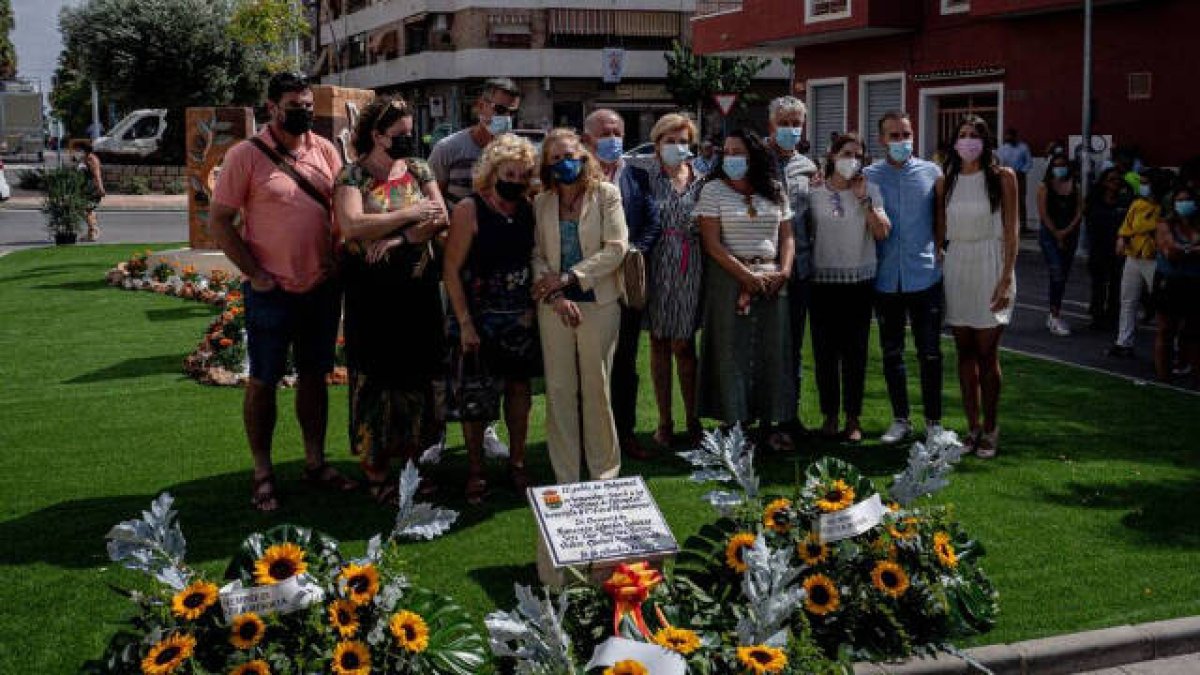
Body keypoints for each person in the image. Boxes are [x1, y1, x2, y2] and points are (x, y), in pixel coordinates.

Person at [209, 72, 356, 511]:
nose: (304, 112)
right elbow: (219, 221)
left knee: (316, 377)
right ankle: (263, 472)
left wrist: (334, 253)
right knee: (262, 382)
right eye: (295, 105)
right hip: (271, 291)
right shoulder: (245, 156)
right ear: (271, 107)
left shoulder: (325, 150)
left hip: (320, 289)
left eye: (308, 105)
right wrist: (253, 273)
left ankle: (315, 463)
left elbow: (340, 209)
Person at [334, 97, 449, 504]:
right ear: (377, 135)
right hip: (371, 296)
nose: (408, 139)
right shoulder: (352, 176)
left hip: (417, 293)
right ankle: (376, 470)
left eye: (409, 132)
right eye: (399, 134)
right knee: (375, 380)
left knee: (418, 377)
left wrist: (400, 237)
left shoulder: (418, 169)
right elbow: (352, 226)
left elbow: (441, 217)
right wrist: (412, 212)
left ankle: (414, 467)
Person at [444, 134, 541, 503]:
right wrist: (465, 322)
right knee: (476, 397)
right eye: (509, 173)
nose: (514, 180)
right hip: (477, 318)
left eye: (522, 175)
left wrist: (532, 308)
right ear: (492, 170)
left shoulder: (529, 208)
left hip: (520, 317)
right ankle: (476, 470)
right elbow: (451, 270)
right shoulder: (469, 209)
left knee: (519, 393)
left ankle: (517, 463)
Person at [530, 128, 628, 484]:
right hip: (554, 307)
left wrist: (569, 278)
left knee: (597, 388)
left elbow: (616, 248)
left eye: (569, 155)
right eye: (555, 158)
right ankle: (566, 474)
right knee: (559, 391)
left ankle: (603, 472)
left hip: (598, 303)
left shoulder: (606, 195)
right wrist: (555, 295)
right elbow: (537, 254)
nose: (563, 163)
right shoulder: (541, 201)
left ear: (584, 156)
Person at [695, 129, 795, 437]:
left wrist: (785, 270)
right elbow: (711, 243)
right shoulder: (712, 190)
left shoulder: (775, 189)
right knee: (730, 349)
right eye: (727, 152)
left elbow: (787, 235)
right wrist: (745, 276)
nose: (731, 158)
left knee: (771, 350)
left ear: (753, 155)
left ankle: (770, 421)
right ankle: (734, 421)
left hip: (772, 277)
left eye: (738, 152)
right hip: (729, 279)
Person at [581, 109, 662, 460]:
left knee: (625, 364)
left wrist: (632, 254)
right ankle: (589, 438)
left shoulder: (638, 177)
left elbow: (652, 223)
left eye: (617, 131)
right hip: (589, 283)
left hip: (626, 285)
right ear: (588, 138)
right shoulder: (577, 175)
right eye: (605, 132)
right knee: (589, 363)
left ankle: (624, 432)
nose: (613, 138)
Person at [864, 111, 948, 445]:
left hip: (925, 275)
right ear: (882, 139)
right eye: (894, 135)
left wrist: (941, 247)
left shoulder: (932, 172)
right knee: (892, 352)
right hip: (886, 279)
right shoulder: (869, 175)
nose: (901, 140)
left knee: (930, 352)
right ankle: (901, 419)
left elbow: (940, 214)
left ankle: (934, 422)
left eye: (906, 133)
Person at [939, 117, 1019, 458]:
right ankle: (971, 426)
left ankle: (991, 426)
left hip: (992, 262)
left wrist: (1005, 278)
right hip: (958, 263)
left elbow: (1013, 229)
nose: (968, 141)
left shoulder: (1003, 177)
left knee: (988, 353)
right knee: (964, 352)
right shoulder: (947, 180)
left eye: (975, 136)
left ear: (986, 142)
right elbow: (939, 227)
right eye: (962, 136)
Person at [808, 133, 889, 443]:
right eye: (846, 153)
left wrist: (864, 199)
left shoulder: (871, 190)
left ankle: (853, 418)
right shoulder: (813, 192)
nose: (851, 160)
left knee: (855, 354)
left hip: (858, 282)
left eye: (858, 155)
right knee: (824, 353)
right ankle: (829, 415)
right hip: (822, 283)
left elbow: (882, 233)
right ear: (832, 155)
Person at [642, 113, 705, 449]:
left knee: (684, 344)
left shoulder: (703, 179)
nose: (677, 146)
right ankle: (664, 422)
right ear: (657, 144)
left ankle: (693, 419)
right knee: (658, 342)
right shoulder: (644, 179)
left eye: (683, 141)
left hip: (691, 263)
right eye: (670, 140)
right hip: (655, 265)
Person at [764, 96, 819, 447]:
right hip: (764, 269)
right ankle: (763, 417)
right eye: (783, 122)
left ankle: (789, 414)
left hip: (800, 270)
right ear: (771, 125)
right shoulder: (754, 161)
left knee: (794, 348)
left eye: (795, 122)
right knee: (767, 346)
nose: (790, 129)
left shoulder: (808, 167)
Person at [428, 78, 522, 207]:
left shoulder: (517, 153)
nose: (507, 118)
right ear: (481, 106)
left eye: (513, 113)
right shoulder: (447, 148)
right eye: (500, 109)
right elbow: (433, 202)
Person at [1110, 169, 1170, 357]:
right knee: (1128, 300)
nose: (1142, 186)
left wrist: (1135, 230)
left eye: (1146, 183)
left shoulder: (1164, 207)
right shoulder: (1137, 204)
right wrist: (1122, 238)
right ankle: (1123, 342)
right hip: (1134, 256)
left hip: (1154, 258)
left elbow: (1141, 227)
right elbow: (1127, 227)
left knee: (1164, 304)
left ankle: (1171, 348)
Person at [1154, 186, 1200, 386]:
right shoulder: (1165, 225)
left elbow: (1177, 250)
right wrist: (1193, 251)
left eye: (1188, 199)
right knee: (1167, 328)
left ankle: (1191, 370)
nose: (1184, 204)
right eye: (1180, 200)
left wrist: (1185, 250)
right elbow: (1170, 252)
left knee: (1194, 329)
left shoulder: (1197, 225)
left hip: (1194, 281)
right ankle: (1164, 376)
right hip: (1170, 281)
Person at [1036, 154, 1083, 336]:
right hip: (1050, 235)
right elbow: (1043, 213)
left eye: (1063, 165)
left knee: (1063, 274)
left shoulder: (1075, 186)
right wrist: (1057, 233)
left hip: (1070, 233)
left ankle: (1054, 310)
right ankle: (1054, 317)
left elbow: (1079, 210)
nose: (1060, 168)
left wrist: (1067, 231)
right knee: (1056, 271)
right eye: (1056, 165)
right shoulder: (1044, 186)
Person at [1085, 168, 1131, 330]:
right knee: (1098, 284)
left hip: (1119, 249)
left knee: (1116, 283)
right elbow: (1089, 224)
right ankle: (1097, 315)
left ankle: (1113, 315)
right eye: (1112, 180)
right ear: (1104, 182)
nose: (1115, 183)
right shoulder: (1095, 201)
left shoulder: (1125, 202)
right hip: (1099, 247)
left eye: (1118, 180)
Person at [996, 128, 1032, 232]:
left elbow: (1029, 162)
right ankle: (1006, 225)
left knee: (1020, 201)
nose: (1008, 138)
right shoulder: (1002, 148)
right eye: (1007, 136)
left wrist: (1022, 171)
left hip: (1019, 176)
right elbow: (998, 163)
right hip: (1005, 177)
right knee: (1005, 200)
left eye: (1010, 136)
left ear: (1015, 136)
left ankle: (1022, 226)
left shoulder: (1023, 147)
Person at [78, 142, 105, 241]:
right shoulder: (85, 159)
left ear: (85, 150)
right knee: (88, 210)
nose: (78, 152)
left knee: (87, 210)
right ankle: (91, 233)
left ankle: (93, 231)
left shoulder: (92, 159)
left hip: (91, 188)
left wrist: (101, 188)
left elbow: (97, 175)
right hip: (85, 187)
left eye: (80, 150)